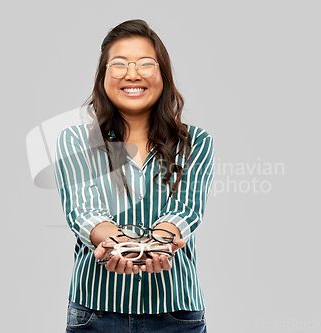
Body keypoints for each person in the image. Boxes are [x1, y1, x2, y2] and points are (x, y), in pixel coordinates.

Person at [54, 19, 214, 333]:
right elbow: (83, 210)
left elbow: (186, 209)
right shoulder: (75, 141)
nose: (132, 74)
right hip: (95, 313)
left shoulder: (195, 143)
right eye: (119, 64)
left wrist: (155, 245)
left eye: (144, 63)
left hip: (175, 314)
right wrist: (122, 247)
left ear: (162, 75)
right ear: (103, 76)